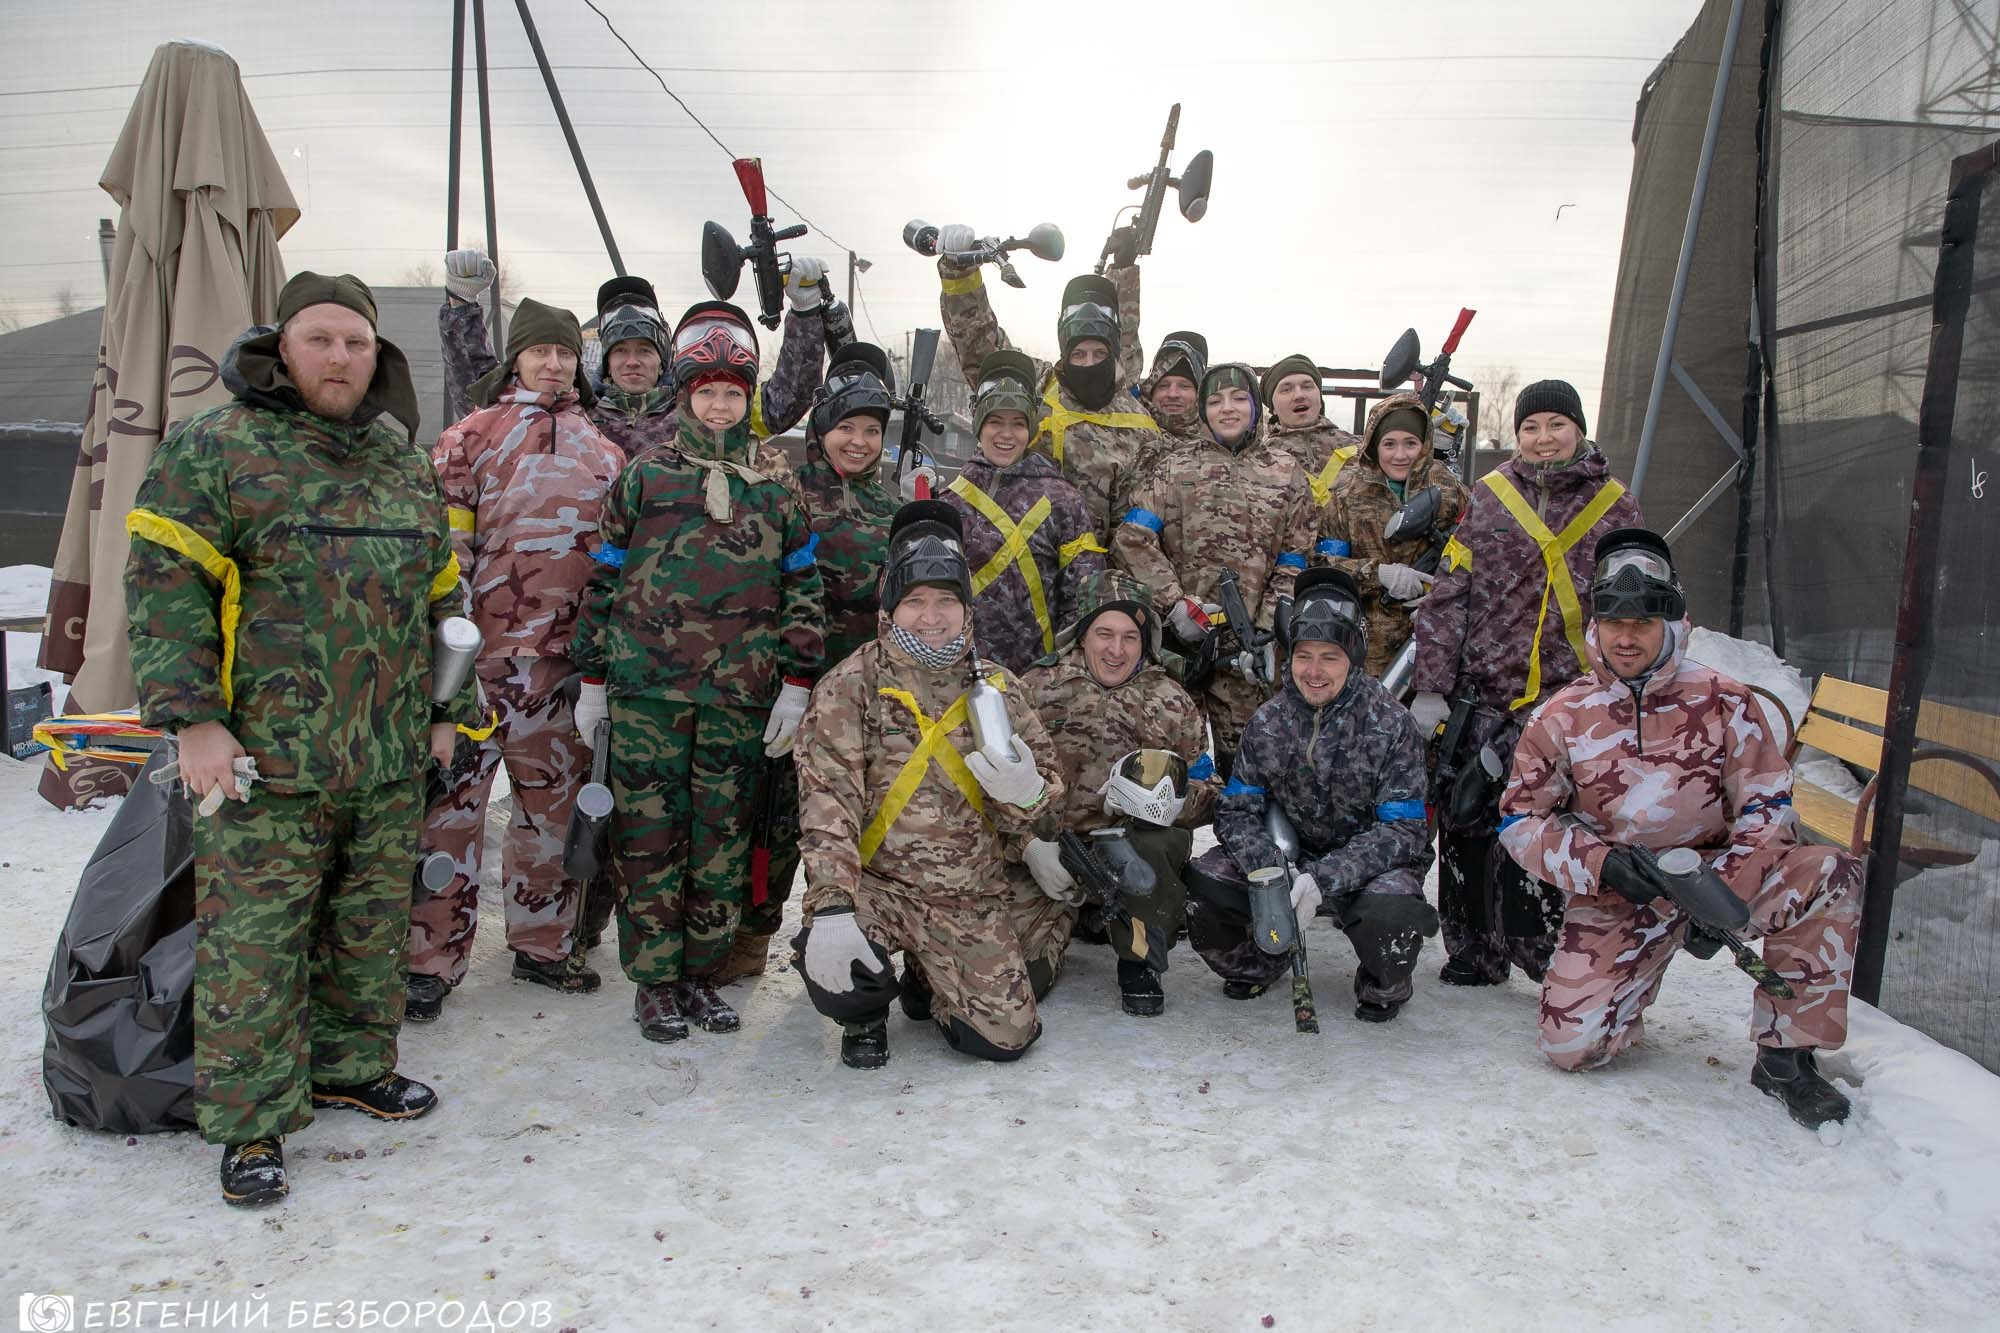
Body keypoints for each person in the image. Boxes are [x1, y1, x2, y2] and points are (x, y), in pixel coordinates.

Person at [125, 273, 481, 1206]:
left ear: (378, 355)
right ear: (281, 346)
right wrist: (193, 719)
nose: (339, 358)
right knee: (255, 946)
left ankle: (351, 1064)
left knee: (367, 930)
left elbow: (443, 596)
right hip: (260, 761)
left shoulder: (404, 465)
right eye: (320, 339)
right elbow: (166, 586)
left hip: (388, 752)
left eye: (356, 343)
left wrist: (448, 712)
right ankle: (250, 1123)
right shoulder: (218, 448)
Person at [1498, 528, 1861, 1129]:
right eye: (1614, 620)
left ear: (1672, 620)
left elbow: (1769, 808)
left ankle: (1786, 1057)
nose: (1627, 635)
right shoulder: (1563, 713)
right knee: (1572, 1050)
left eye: (1643, 620)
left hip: (1721, 879)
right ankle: (1628, 987)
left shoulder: (1727, 702)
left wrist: (1728, 895)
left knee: (1830, 873)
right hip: (1623, 892)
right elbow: (1519, 818)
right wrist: (1599, 864)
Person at [570, 300, 826, 1043]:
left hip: (739, 699)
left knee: (721, 841)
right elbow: (606, 577)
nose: (719, 405)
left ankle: (702, 974)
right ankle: (654, 980)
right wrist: (592, 678)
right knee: (649, 843)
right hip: (648, 694)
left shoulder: (776, 491)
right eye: (707, 392)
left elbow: (802, 589)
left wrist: (798, 683)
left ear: (748, 401)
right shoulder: (645, 479)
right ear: (685, 397)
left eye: (732, 393)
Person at [403, 299, 625, 1023]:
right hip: (477, 668)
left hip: (558, 668)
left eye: (564, 353)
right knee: (450, 815)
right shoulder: (470, 437)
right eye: (540, 352)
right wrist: (447, 654)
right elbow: (444, 553)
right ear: (517, 357)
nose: (554, 364)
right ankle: (428, 959)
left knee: (549, 814)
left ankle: (542, 945)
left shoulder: (604, 450)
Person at [793, 502, 1068, 1069]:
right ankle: (864, 1017)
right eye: (915, 601)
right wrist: (831, 908)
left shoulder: (998, 688)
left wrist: (1029, 794)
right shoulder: (851, 686)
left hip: (967, 892)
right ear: (891, 607)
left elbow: (1044, 800)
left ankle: (932, 979)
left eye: (946, 600)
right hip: (879, 887)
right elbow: (827, 806)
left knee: (1005, 1040)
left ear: (967, 608)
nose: (932, 616)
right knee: (843, 968)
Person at [1410, 379, 1643, 987]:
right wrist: (1432, 684)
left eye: (1555, 426)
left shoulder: (1616, 505)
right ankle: (1473, 952)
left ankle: (1544, 950)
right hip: (1482, 695)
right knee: (1465, 824)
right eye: (1531, 428)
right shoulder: (1488, 497)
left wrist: (1625, 688)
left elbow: (1642, 607)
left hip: (1570, 703)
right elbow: (1448, 594)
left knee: (1554, 827)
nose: (1544, 440)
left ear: (1579, 430)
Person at [714, 342, 906, 987]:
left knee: (856, 821)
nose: (858, 442)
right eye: (846, 428)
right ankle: (750, 935)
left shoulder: (893, 510)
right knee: (773, 816)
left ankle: (847, 934)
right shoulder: (784, 492)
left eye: (871, 431)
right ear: (821, 432)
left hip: (866, 699)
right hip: (787, 686)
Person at [1184, 570, 1439, 1020]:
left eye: (1329, 657)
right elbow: (1236, 810)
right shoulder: (1268, 721)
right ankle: (1261, 960)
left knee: (1393, 909)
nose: (1314, 671)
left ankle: (1382, 984)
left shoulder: (1391, 723)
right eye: (1303, 656)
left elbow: (1404, 829)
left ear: (1353, 659)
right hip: (1285, 860)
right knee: (1207, 883)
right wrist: (1270, 872)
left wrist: (1324, 879)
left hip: (1366, 867)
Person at [1015, 570, 1218, 1016]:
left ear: (1147, 641)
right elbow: (993, 787)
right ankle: (1071, 920)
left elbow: (1209, 791)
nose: (1116, 649)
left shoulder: (1173, 700)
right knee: (1018, 982)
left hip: (1129, 852)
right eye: (1103, 633)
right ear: (1081, 635)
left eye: (1130, 636)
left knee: (1158, 841)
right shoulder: (1035, 689)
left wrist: (1165, 801)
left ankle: (1139, 959)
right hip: (1052, 855)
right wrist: (1028, 846)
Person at [1113, 361, 1316, 775]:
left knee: (1248, 771)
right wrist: (1175, 604)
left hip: (1248, 654)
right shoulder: (1174, 467)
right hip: (1180, 646)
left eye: (1239, 398)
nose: (1228, 408)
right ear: (1203, 410)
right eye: (1216, 400)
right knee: (1170, 768)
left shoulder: (1285, 472)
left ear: (1256, 407)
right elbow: (1133, 538)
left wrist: (1265, 628)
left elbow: (1297, 556)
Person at [437, 249, 841, 457]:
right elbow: (484, 398)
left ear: (664, 356)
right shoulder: (573, 413)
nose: (633, 360)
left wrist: (805, 314)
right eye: (622, 351)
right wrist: (461, 307)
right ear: (606, 360)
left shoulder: (699, 411)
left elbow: (785, 401)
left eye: (645, 350)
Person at [935, 226, 1159, 542]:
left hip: (1100, 574)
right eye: (1078, 353)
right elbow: (979, 346)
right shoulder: (1040, 386)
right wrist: (960, 274)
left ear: (1113, 353)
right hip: (1023, 559)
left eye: (1099, 353)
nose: (1088, 362)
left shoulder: (1140, 423)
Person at [943, 349, 1106, 673]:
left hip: (1037, 684)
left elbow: (1085, 598)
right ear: (979, 424)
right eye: (995, 422)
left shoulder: (1064, 502)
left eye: (1018, 423)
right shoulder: (949, 501)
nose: (1006, 434)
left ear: (1030, 427)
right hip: (957, 679)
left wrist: (1054, 672)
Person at [1316, 390, 1470, 678]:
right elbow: (1323, 566)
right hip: (1364, 651)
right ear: (1375, 446)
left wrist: (1444, 590)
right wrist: (1379, 575)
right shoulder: (1347, 495)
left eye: (1410, 443)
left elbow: (1477, 557)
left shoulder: (1449, 489)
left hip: (1436, 651)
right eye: (1389, 444)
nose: (1400, 455)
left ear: (1424, 444)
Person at [1261, 352, 1362, 509]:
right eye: (1286, 390)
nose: (1299, 395)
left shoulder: (1362, 450)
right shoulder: (1260, 459)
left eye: (1307, 386)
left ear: (1320, 399)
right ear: (1272, 408)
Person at [1132, 329, 1207, 481]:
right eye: (1163, 386)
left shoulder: (1218, 442)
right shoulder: (1131, 435)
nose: (1172, 394)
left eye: (1184, 386)